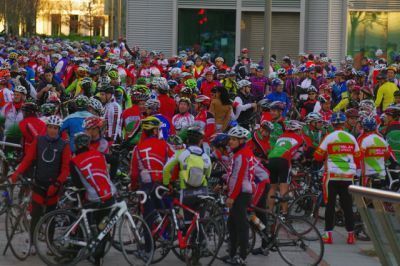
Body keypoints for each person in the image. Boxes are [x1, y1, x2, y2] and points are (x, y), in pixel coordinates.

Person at [11, 115, 70, 252]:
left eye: (55, 128)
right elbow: (28, 159)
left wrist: (57, 183)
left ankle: (50, 244)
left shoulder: (64, 145)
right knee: (36, 215)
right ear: (46, 128)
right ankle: (32, 243)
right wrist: (17, 173)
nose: (52, 131)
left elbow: (66, 168)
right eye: (50, 127)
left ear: (59, 130)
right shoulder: (39, 140)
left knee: (51, 217)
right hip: (39, 184)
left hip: (54, 186)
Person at [70, 132, 116, 266]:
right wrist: (110, 178)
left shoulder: (74, 162)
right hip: (108, 195)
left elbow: (78, 184)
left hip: (92, 199)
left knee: (91, 224)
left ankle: (78, 250)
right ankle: (98, 259)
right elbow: (115, 160)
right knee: (104, 228)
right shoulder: (99, 154)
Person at [314, 112, 359, 245]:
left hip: (331, 176)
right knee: (348, 206)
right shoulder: (351, 137)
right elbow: (358, 156)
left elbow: (317, 156)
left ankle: (328, 236)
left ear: (333, 124)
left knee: (330, 205)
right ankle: (351, 236)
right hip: (348, 177)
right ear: (344, 123)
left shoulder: (329, 137)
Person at [131, 117, 174, 223]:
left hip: (146, 185)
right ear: (154, 131)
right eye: (158, 129)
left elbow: (134, 173)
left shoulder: (138, 148)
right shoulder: (165, 145)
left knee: (148, 219)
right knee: (166, 212)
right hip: (163, 184)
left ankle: (149, 236)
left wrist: (133, 186)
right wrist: (171, 181)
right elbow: (173, 163)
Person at [223, 126, 254, 265]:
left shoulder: (242, 154)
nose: (231, 141)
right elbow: (232, 175)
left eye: (234, 139)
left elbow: (239, 177)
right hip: (238, 192)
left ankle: (241, 256)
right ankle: (232, 253)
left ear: (242, 141)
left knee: (241, 225)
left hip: (241, 193)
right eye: (230, 139)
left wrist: (232, 196)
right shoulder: (238, 153)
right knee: (231, 224)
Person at [267, 120, 306, 214]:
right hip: (283, 160)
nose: (300, 131)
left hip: (271, 159)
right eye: (300, 130)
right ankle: (284, 213)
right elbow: (299, 154)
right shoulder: (299, 138)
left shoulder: (281, 137)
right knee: (283, 187)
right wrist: (301, 160)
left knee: (272, 187)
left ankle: (270, 211)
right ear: (297, 130)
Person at [358, 116, 390, 188]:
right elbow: (387, 155)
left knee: (365, 196)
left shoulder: (364, 139)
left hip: (368, 173)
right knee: (379, 195)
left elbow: (360, 156)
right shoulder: (381, 139)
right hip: (381, 173)